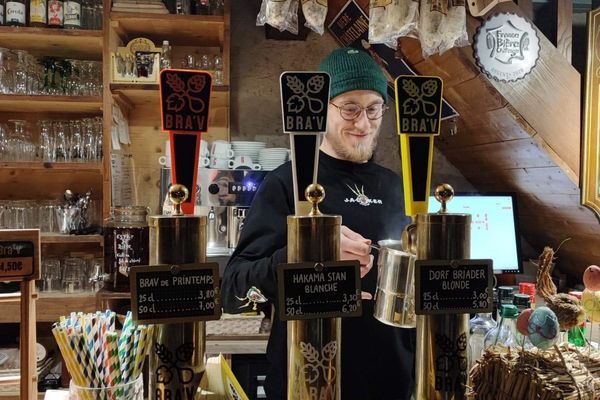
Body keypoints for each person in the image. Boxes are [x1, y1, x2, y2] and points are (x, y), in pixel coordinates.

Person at [220, 47, 415, 400]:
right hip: (307, 380)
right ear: (322, 110)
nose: (363, 123)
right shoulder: (286, 184)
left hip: (393, 383)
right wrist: (304, 251)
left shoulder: (399, 186)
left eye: (374, 109)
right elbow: (235, 288)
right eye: (350, 109)